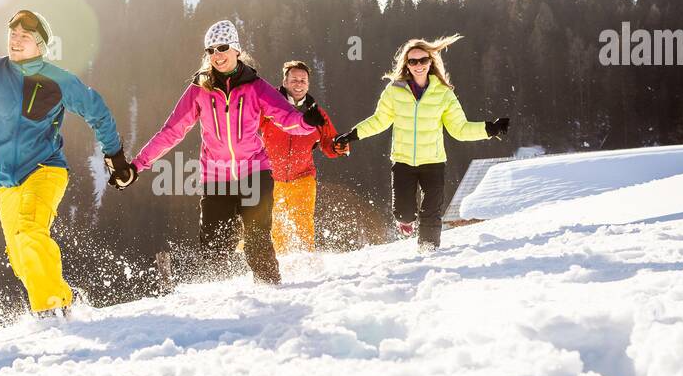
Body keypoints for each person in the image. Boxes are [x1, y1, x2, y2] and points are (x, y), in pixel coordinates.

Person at [0, 8, 135, 318]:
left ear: (40, 44)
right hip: (4, 184)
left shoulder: (57, 80)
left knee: (30, 231)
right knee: (22, 258)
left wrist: (114, 156)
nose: (16, 40)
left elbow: (97, 111)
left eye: (25, 36)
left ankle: (53, 311)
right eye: (13, 34)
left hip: (45, 170)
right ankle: (64, 298)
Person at [113, 20, 321, 284]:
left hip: (254, 172)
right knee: (214, 247)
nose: (216, 55)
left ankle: (271, 292)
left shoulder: (255, 87)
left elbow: (286, 116)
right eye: (210, 50)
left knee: (257, 241)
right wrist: (136, 166)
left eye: (222, 48)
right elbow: (171, 131)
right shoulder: (199, 90)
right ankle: (227, 276)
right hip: (216, 177)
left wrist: (306, 123)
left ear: (236, 49)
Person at [333, 35, 509, 250]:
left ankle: (428, 252)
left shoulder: (444, 93)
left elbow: (459, 129)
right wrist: (352, 135)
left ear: (431, 62)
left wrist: (490, 128)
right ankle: (405, 220)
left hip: (433, 162)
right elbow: (379, 120)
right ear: (406, 64)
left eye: (423, 60)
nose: (418, 65)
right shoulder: (394, 91)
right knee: (404, 212)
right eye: (413, 61)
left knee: (431, 211)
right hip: (403, 162)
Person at [259, 60, 343, 254]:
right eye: (294, 79)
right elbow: (248, 127)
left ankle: (308, 265)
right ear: (285, 82)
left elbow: (329, 145)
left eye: (303, 80)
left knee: (304, 223)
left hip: (303, 176)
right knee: (275, 228)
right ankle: (280, 267)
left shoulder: (316, 113)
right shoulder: (270, 107)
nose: (298, 84)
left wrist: (339, 146)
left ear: (308, 84)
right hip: (271, 179)